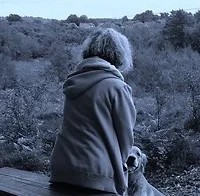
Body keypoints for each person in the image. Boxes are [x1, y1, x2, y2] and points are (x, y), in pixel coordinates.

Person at [49, 28, 136, 196]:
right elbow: (125, 138)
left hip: (61, 169)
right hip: (96, 174)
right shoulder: (117, 87)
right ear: (120, 54)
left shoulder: (73, 81)